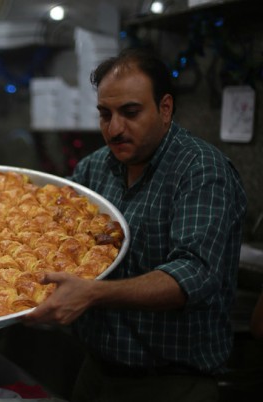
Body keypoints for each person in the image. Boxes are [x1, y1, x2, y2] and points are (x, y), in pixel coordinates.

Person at [23, 47, 247, 401]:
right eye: (104, 114)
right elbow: (45, 217)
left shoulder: (202, 171)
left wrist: (93, 293)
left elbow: (193, 275)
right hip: (96, 372)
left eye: (130, 112)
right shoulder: (95, 167)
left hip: (171, 384)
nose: (114, 128)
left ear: (165, 108)